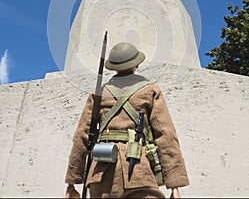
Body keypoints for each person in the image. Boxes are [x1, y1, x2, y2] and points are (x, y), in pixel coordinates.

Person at [65, 42, 189, 198]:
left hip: (101, 175)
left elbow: (82, 136)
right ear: (137, 64)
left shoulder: (98, 94)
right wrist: (174, 185)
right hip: (138, 171)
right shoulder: (150, 91)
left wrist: (71, 183)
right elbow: (165, 135)